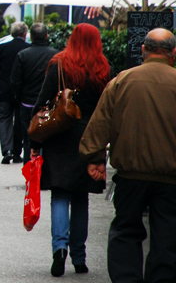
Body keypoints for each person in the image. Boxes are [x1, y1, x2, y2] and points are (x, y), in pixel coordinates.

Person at [80, 28, 176, 283]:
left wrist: (94, 157)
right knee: (167, 235)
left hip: (130, 174)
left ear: (143, 50)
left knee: (125, 229)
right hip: (171, 177)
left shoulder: (122, 80)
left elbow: (100, 122)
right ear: (173, 53)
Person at [30, 23, 111, 277]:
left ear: (72, 39)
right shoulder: (103, 68)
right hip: (90, 136)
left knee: (60, 194)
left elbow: (43, 101)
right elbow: (107, 107)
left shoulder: (59, 64)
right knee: (81, 197)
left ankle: (59, 249)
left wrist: (35, 144)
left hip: (61, 135)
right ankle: (79, 256)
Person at [10, 23, 58, 164]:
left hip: (27, 103)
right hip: (49, 105)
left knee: (28, 138)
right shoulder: (55, 55)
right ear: (47, 36)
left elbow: (15, 81)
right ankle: (46, 173)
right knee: (48, 139)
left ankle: (30, 174)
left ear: (30, 36)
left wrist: (19, 97)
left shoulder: (23, 55)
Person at [0, 21, 29, 164]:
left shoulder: (1, 48)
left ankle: (7, 150)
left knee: (4, 119)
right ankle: (17, 152)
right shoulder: (27, 49)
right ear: (25, 34)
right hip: (22, 91)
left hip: (2, 90)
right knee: (20, 121)